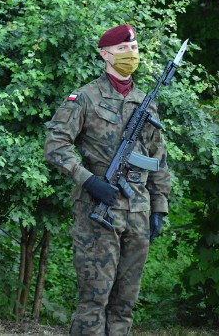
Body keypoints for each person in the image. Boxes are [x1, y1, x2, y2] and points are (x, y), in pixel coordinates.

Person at [43, 24, 171, 335]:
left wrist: (159, 206)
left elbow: (158, 157)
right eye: (123, 49)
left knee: (125, 302)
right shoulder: (84, 98)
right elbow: (56, 146)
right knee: (94, 298)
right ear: (105, 54)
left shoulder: (146, 101)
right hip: (98, 211)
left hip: (138, 212)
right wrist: (88, 180)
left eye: (134, 49)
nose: (131, 54)